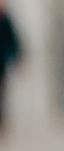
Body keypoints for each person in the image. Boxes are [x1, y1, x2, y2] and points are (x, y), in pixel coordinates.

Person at [0, 0, 22, 136]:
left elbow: (13, 41)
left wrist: (14, 57)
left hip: (1, 64)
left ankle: (2, 124)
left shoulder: (6, 20)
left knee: (2, 95)